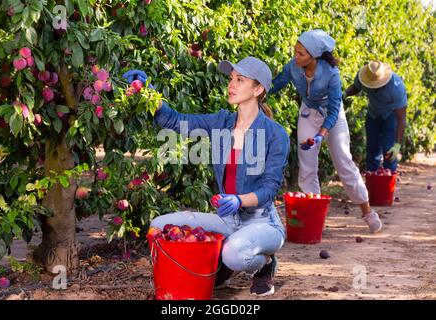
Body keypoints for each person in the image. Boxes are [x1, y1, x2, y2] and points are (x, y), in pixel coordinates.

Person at [122, 57, 290, 296]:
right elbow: (176, 121)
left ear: (258, 89)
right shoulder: (222, 121)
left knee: (233, 254)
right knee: (158, 226)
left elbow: (269, 189)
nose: (231, 84)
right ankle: (222, 260)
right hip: (228, 220)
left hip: (262, 222)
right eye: (231, 78)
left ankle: (263, 265)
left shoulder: (275, 134)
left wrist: (239, 200)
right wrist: (150, 96)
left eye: (240, 80)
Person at [269, 29, 382, 233]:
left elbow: (333, 110)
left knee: (343, 161)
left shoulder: (331, 74)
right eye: (295, 51)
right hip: (308, 113)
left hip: (332, 116)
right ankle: (314, 216)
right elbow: (276, 84)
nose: (296, 56)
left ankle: (367, 211)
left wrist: (321, 134)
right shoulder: (293, 67)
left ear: (314, 56)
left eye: (300, 53)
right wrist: (256, 91)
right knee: (307, 165)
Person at [343, 61, 407, 172]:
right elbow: (356, 87)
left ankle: (388, 183)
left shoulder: (396, 87)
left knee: (389, 150)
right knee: (372, 150)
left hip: (390, 116)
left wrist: (397, 145)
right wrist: (344, 94)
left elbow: (401, 118)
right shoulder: (363, 77)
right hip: (373, 114)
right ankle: (373, 182)